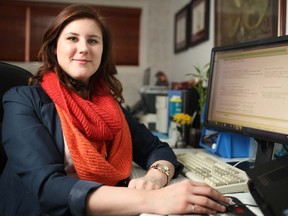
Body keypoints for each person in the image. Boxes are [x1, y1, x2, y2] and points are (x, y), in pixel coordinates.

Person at [0, 4, 229, 216]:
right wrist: (151, 200)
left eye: (93, 41)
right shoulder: (22, 100)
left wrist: (156, 177)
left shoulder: (109, 108)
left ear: (102, 52)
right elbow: (47, 187)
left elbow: (156, 148)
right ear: (53, 48)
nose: (84, 49)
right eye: (72, 38)